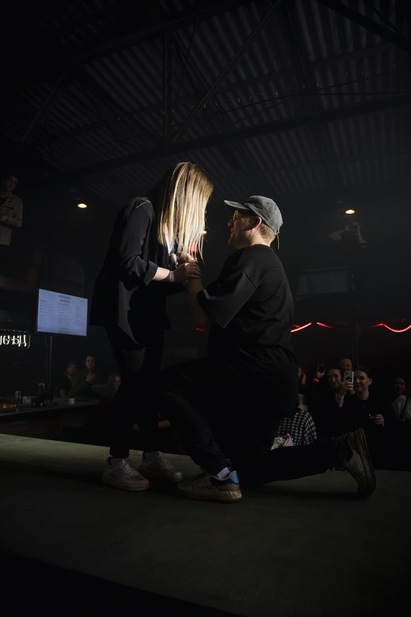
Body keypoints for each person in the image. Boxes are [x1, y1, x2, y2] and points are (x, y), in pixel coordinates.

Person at [154, 195, 376, 503]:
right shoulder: (268, 264)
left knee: (166, 386)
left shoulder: (251, 258)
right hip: (273, 381)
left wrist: (190, 270)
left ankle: (218, 474)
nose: (229, 222)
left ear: (255, 222)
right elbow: (210, 310)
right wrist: (193, 275)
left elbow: (203, 316)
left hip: (249, 374)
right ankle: (340, 450)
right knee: (250, 469)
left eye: (236, 217)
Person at [90, 161, 214, 491]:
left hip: (146, 315)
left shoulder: (161, 227)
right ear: (184, 194)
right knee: (134, 383)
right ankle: (116, 462)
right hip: (124, 313)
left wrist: (182, 275)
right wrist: (173, 275)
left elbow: (156, 280)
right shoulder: (141, 208)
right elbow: (127, 262)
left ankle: (151, 455)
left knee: (149, 384)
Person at [0, 172, 23, 250]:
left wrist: (7, 219)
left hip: (2, 240)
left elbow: (19, 223)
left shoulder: (17, 202)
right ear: (3, 180)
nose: (12, 184)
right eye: (10, 180)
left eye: (15, 183)